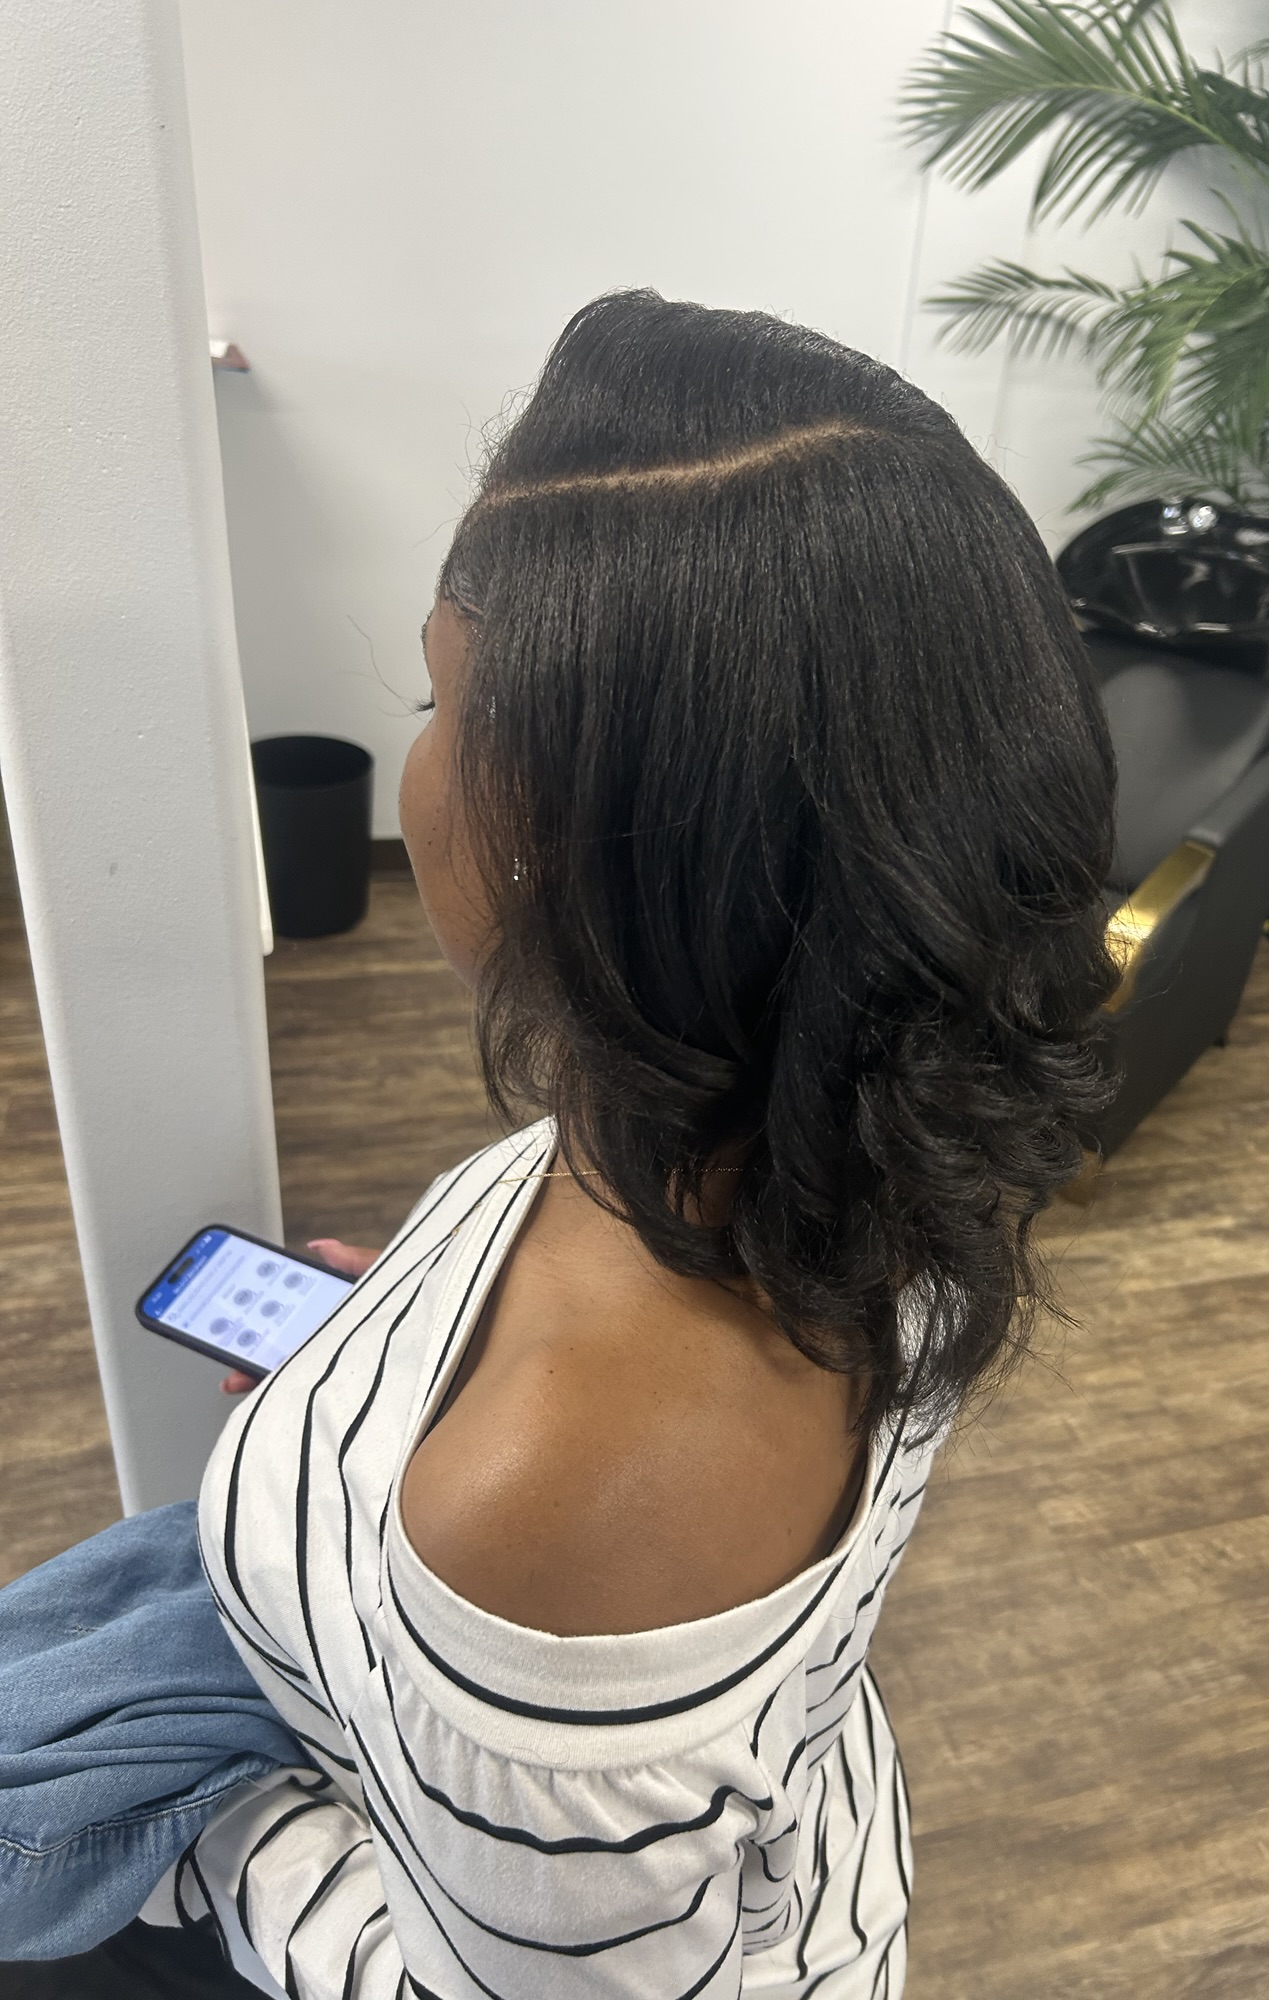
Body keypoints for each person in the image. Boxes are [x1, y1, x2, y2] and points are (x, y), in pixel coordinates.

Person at [0, 291, 1117, 1996]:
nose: (415, 762)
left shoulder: (554, 1512)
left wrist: (184, 1828)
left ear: (590, 839)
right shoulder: (859, 1118)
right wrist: (395, 1349)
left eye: (439, 695)